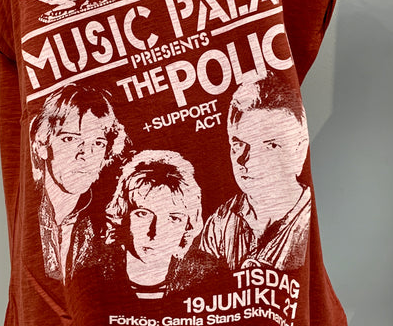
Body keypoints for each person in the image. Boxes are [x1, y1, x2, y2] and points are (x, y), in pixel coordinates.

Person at [201, 74, 311, 272]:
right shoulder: (221, 221)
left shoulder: (310, 221)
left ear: (299, 151)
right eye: (238, 145)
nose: (246, 160)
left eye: (271, 146)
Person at [29, 83, 128, 282]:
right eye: (70, 139)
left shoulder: (107, 228)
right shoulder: (30, 214)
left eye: (98, 143)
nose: (86, 154)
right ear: (42, 146)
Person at [103, 149, 222, 299]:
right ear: (122, 216)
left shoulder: (207, 278)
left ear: (188, 227)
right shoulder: (95, 274)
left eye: (174, 219)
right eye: (143, 214)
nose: (156, 233)